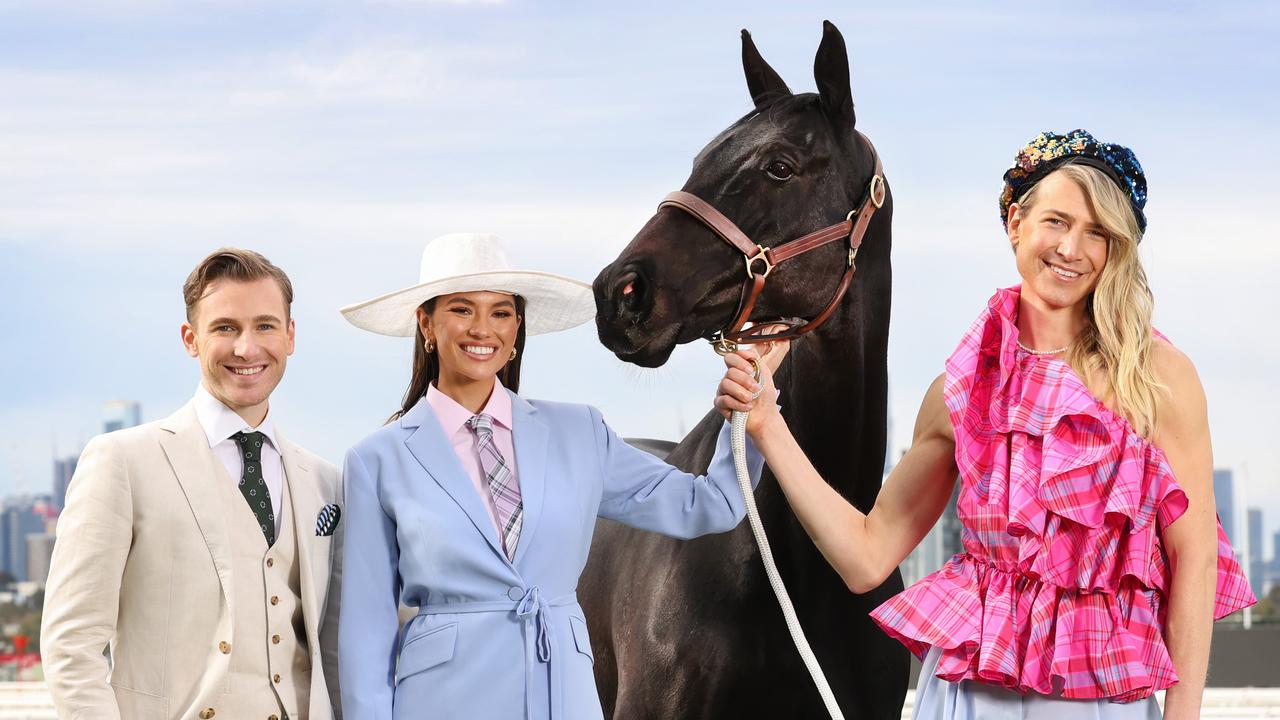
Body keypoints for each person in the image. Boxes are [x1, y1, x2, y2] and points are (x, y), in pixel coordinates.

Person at [715, 130, 1256, 719]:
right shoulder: (958, 391)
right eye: (1057, 220)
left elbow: (1195, 563)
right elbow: (867, 556)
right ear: (1016, 221)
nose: (1071, 248)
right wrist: (767, 422)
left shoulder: (1157, 377)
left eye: (1097, 232)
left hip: (1100, 703)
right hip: (969, 698)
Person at [335, 232, 770, 719]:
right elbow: (365, 637)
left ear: (517, 328)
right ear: (427, 324)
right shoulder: (378, 460)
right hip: (442, 702)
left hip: (561, 697)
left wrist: (745, 420)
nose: (483, 329)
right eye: (461, 310)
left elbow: (708, 504)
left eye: (501, 312)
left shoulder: (579, 432)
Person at [42, 248, 344, 720]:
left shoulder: (324, 481)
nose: (247, 348)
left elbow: (334, 648)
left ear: (290, 336)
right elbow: (71, 645)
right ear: (191, 339)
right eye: (225, 328)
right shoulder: (123, 462)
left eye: (265, 325)